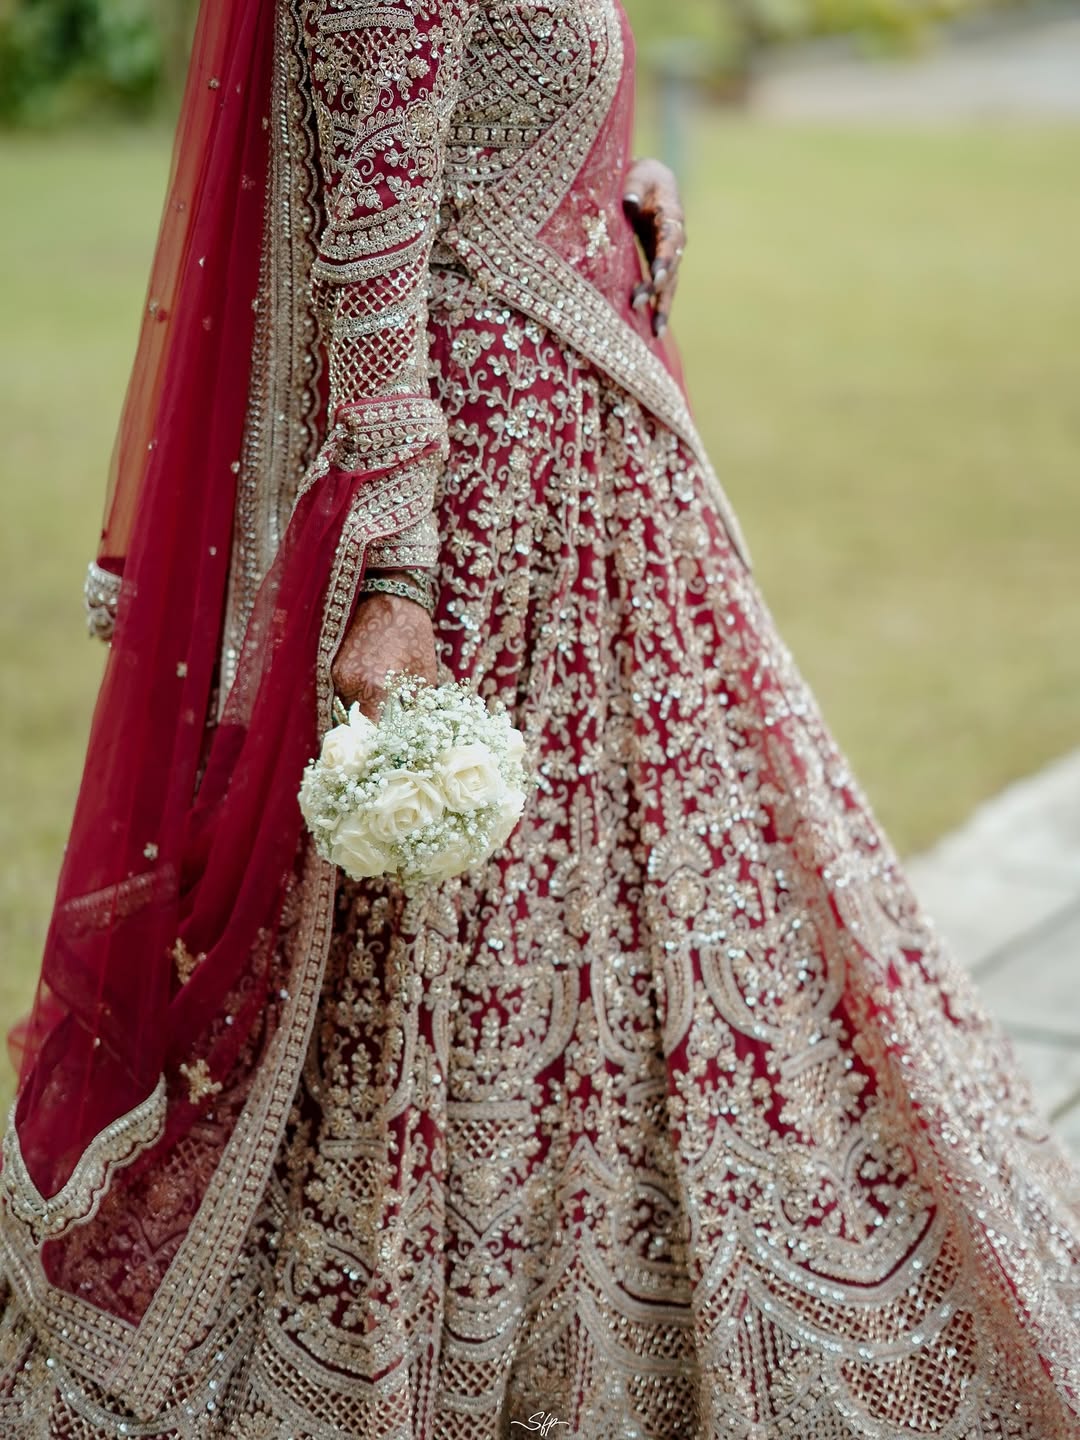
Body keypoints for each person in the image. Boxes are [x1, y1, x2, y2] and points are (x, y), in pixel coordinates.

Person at [1, 0, 1079, 1435]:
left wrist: (614, 202)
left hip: (593, 470)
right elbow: (370, 267)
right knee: (472, 934)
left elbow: (490, 140)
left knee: (647, 905)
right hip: (489, 510)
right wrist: (394, 575)